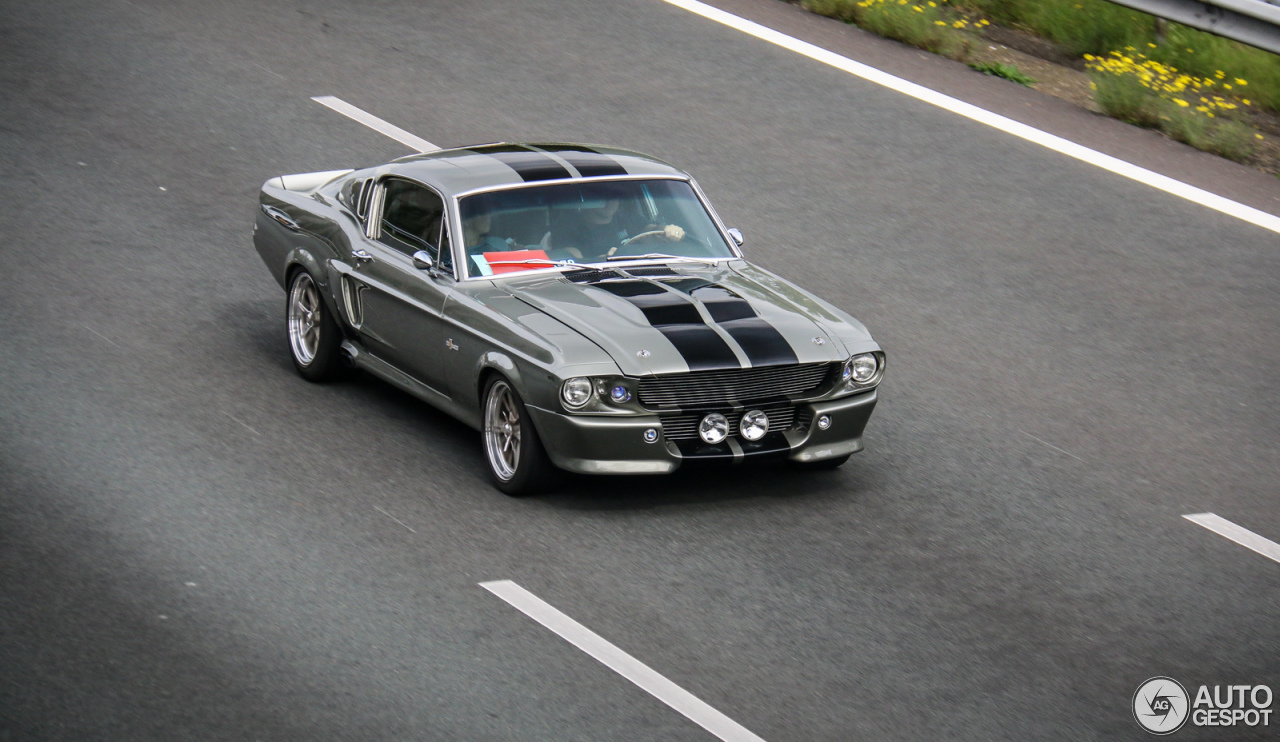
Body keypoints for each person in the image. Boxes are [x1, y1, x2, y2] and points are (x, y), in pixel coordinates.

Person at [547, 193, 684, 262]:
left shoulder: (627, 217)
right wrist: (608, 258)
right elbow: (576, 262)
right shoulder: (567, 226)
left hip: (639, 273)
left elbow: (652, 231)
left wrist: (672, 232)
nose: (611, 201)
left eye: (614, 196)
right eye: (603, 196)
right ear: (589, 199)